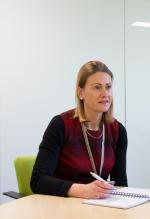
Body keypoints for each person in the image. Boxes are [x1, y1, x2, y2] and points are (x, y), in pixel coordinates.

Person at [31, 60, 127, 199]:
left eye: (108, 87)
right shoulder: (60, 125)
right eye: (97, 87)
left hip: (99, 206)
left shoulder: (118, 131)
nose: (105, 93)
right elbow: (38, 181)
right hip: (60, 206)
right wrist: (82, 191)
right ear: (80, 92)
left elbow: (120, 183)